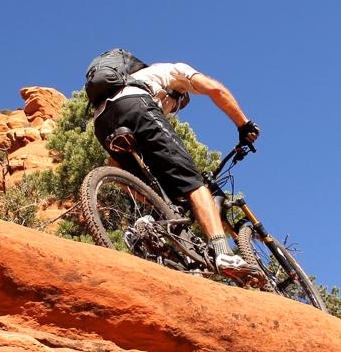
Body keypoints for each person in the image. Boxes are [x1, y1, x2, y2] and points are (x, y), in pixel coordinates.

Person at [91, 61, 260, 271]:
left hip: (101, 122)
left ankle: (149, 226)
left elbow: (114, 166)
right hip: (135, 105)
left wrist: (149, 198)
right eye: (178, 105)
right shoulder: (174, 70)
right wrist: (243, 125)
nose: (173, 111)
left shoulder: (134, 79)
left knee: (161, 193)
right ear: (174, 94)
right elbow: (215, 89)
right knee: (194, 184)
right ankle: (223, 253)